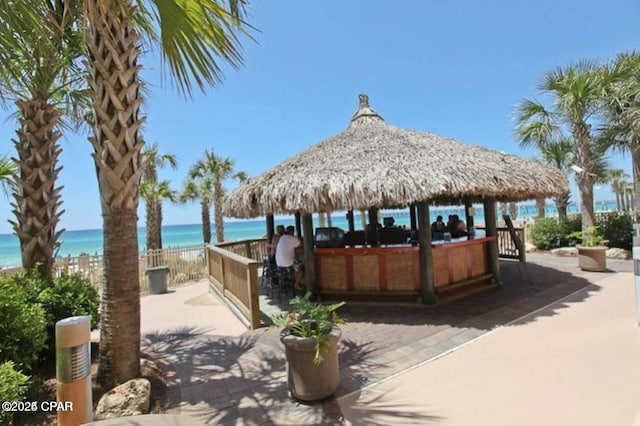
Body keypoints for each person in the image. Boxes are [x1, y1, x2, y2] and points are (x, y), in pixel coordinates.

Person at [276, 226, 305, 292]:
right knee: (301, 268)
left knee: (296, 265)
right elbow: (301, 244)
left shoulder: (282, 238)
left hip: (279, 263)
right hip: (288, 263)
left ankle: (295, 281)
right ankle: (297, 284)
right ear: (292, 232)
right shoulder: (293, 238)